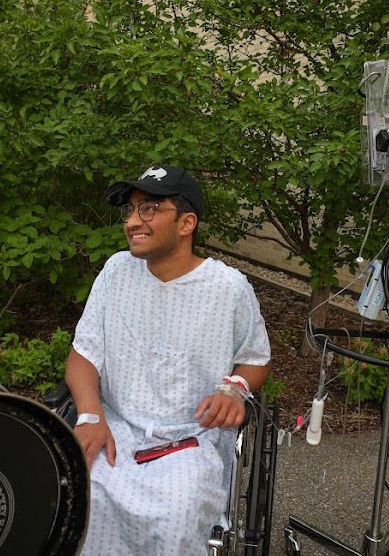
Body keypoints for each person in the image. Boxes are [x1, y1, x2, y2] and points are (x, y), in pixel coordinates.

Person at [66, 164, 271, 555]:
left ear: (186, 222)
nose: (132, 221)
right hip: (117, 427)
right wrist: (90, 415)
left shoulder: (227, 288)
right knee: (81, 492)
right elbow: (83, 354)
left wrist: (234, 389)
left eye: (149, 209)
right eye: (129, 211)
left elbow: (255, 358)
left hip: (192, 438)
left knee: (177, 514)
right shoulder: (115, 272)